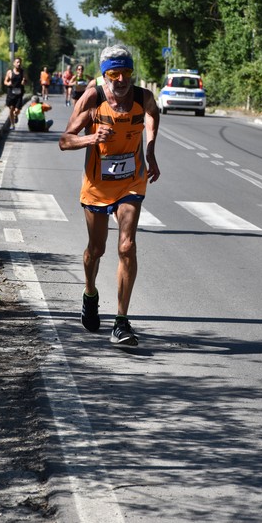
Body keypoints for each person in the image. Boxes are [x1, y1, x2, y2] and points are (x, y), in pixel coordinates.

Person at [59, 45, 160, 347]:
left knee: (127, 246)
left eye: (126, 72)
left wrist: (151, 151)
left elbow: (153, 115)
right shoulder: (93, 98)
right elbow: (64, 140)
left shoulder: (143, 98)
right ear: (105, 75)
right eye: (114, 74)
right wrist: (91, 136)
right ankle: (90, 292)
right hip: (97, 185)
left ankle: (121, 321)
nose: (121, 79)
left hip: (131, 182)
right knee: (97, 248)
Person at [4, 57, 26, 129]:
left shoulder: (23, 72)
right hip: (11, 93)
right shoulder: (10, 72)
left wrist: (24, 82)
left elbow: (26, 80)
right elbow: (5, 81)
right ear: (14, 63)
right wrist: (8, 83)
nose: (19, 64)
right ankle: (12, 124)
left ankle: (15, 115)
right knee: (11, 108)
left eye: (20, 62)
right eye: (17, 62)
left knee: (17, 110)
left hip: (19, 93)